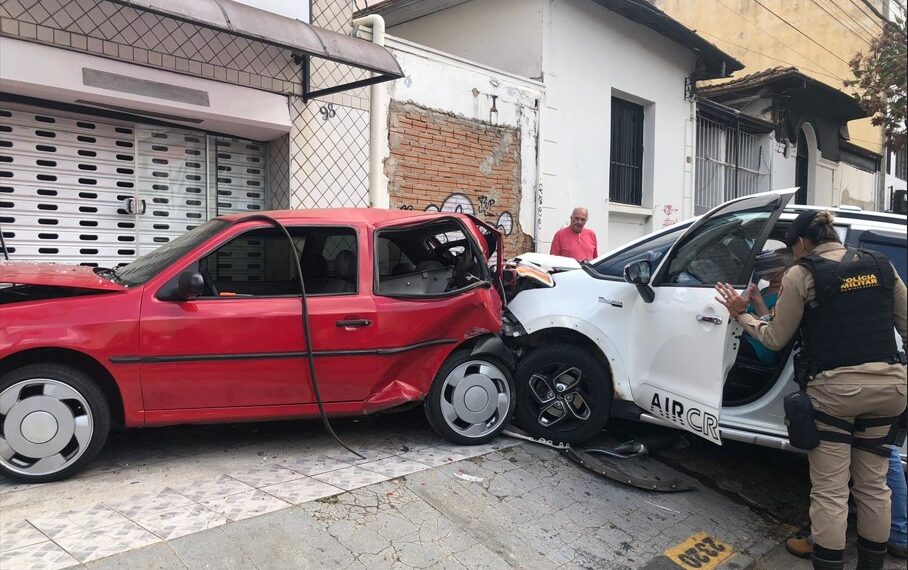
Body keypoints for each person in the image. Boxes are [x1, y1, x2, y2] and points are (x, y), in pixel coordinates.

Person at [715, 210, 908, 570]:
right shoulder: (882, 265)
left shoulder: (803, 274)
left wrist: (742, 314)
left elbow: (775, 338)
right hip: (890, 390)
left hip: (837, 394)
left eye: (794, 249)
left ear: (803, 242)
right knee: (873, 486)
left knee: (831, 491)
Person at [738, 248, 794, 365]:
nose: (768, 270)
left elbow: (773, 327)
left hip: (761, 348)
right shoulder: (765, 290)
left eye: (774, 266)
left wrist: (758, 300)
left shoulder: (786, 295)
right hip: (747, 337)